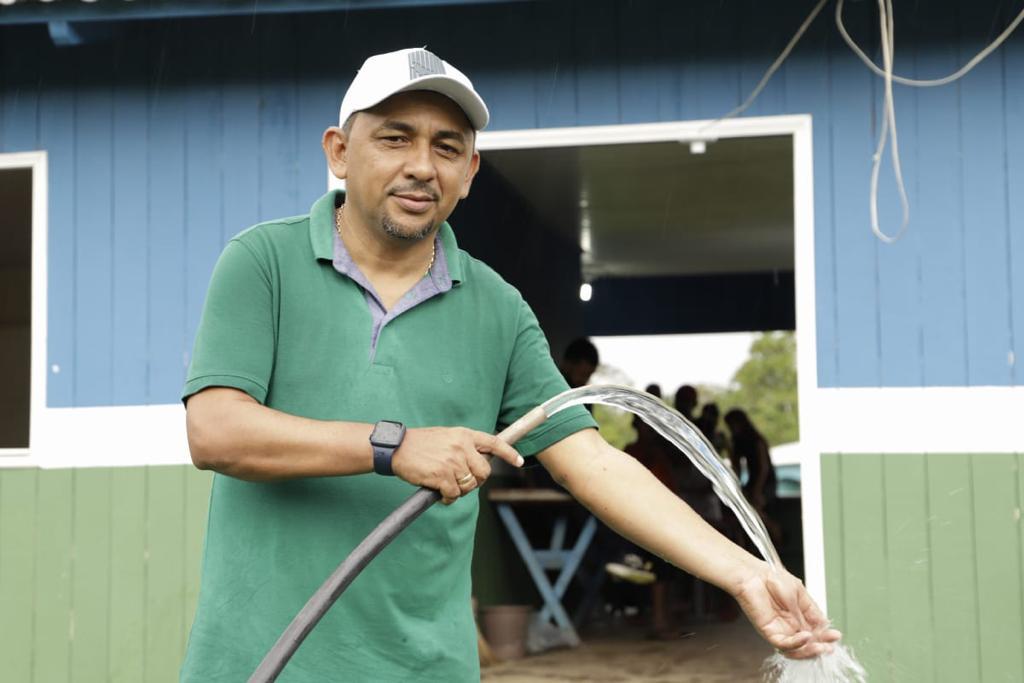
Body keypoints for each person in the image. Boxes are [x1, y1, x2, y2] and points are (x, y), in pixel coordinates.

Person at [180, 47, 839, 682]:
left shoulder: (498, 309)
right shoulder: (263, 263)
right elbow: (216, 431)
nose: (422, 166)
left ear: (470, 171)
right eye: (395, 138)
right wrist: (394, 446)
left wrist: (745, 572)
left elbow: (593, 463)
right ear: (339, 151)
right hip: (259, 663)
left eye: (446, 147)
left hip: (426, 670)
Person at [724, 408, 781, 542]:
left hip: (765, 482)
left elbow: (763, 468)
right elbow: (736, 467)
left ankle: (777, 535)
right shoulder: (739, 442)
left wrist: (757, 490)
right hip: (753, 481)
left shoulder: (756, 440)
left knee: (756, 509)